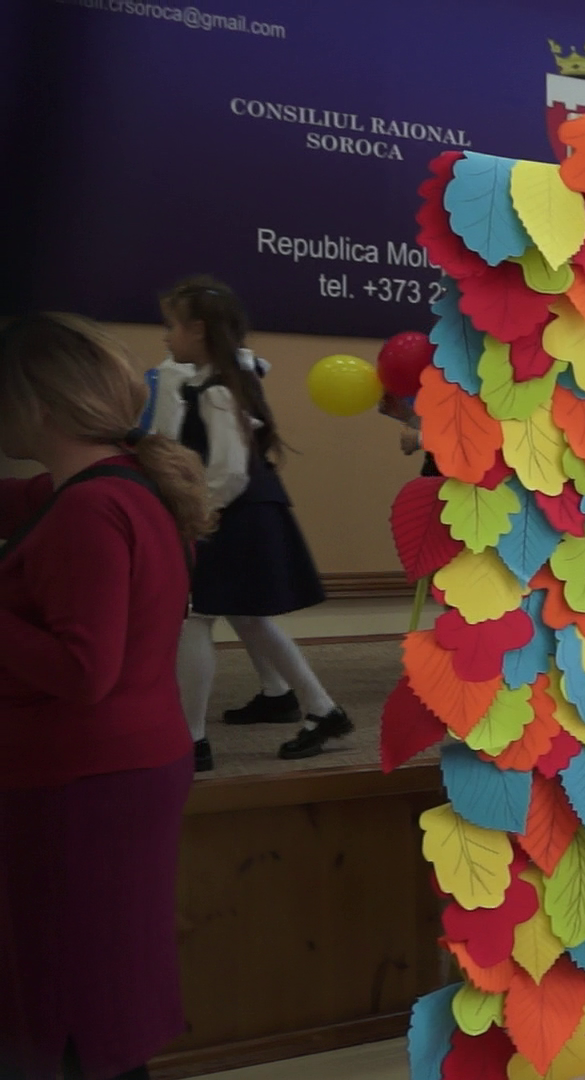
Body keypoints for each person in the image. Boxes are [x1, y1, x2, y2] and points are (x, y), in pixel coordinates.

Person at [0, 314, 213, 1080]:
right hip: (115, 768)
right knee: (99, 987)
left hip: (82, 781)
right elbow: (24, 502)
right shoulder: (109, 484)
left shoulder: (90, 508)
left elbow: (83, 669)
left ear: (37, 406)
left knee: (74, 1000)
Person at [152, 278, 352, 766]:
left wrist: (196, 514)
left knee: (196, 616)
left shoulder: (219, 390)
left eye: (172, 326)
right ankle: (322, 710)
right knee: (246, 617)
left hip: (232, 512)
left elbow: (229, 470)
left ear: (198, 330)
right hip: (239, 511)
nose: (166, 336)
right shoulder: (218, 380)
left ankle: (191, 740)